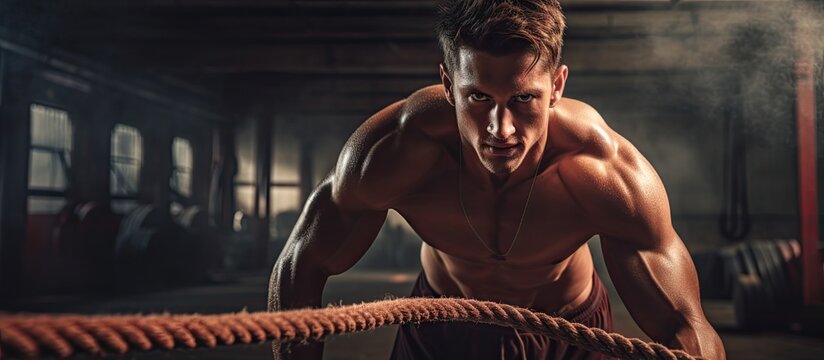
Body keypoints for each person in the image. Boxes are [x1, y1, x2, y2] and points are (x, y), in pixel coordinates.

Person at [268, 0, 725, 359]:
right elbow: (300, 267)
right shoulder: (396, 150)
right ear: (448, 86)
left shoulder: (603, 171)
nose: (500, 129)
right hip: (442, 327)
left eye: (524, 98)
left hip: (567, 333)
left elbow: (685, 325)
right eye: (479, 97)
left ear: (558, 86)